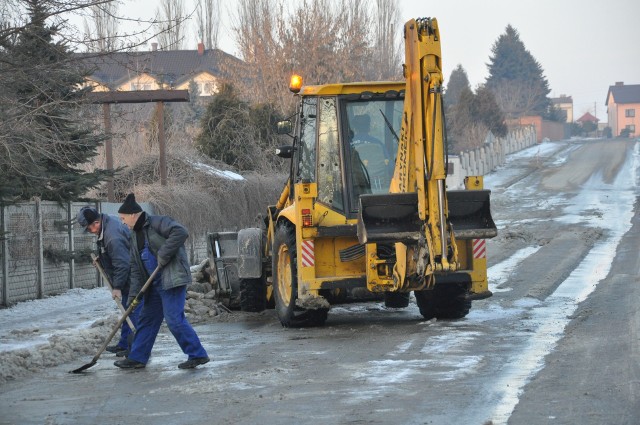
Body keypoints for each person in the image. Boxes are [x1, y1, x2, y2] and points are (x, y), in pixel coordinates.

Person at [114, 193, 209, 370]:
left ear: (133, 215)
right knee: (147, 320)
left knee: (174, 319)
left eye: (123, 218)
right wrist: (134, 297)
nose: (123, 222)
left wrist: (164, 253)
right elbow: (136, 268)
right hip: (154, 285)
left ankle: (197, 354)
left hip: (171, 279)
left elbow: (180, 232)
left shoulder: (157, 222)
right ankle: (137, 357)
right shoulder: (135, 236)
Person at [77, 206, 141, 357]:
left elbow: (122, 263)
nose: (89, 232)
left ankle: (135, 349)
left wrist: (117, 287)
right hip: (128, 274)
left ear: (96, 222)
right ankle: (124, 344)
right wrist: (103, 259)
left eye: (89, 228)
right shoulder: (106, 225)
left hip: (132, 276)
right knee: (127, 310)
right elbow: (112, 252)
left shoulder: (113, 235)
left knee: (132, 312)